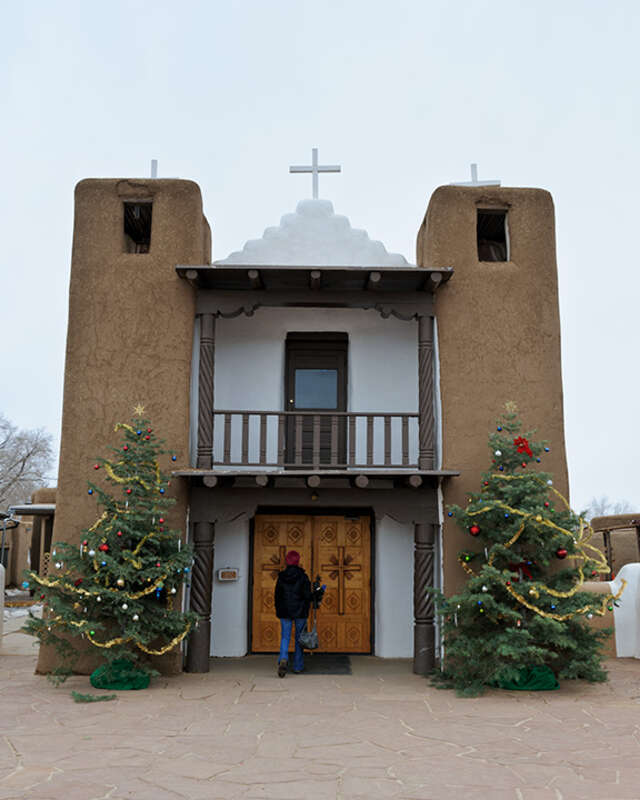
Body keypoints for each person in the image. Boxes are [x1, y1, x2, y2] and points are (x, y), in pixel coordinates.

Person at [274, 550, 312, 677]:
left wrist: (278, 609)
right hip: (300, 612)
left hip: (285, 611)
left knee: (285, 636)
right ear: (298, 561)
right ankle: (298, 666)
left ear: (287, 561)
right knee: (299, 638)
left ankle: (283, 658)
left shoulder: (281, 577)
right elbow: (307, 595)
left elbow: (277, 596)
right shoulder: (303, 577)